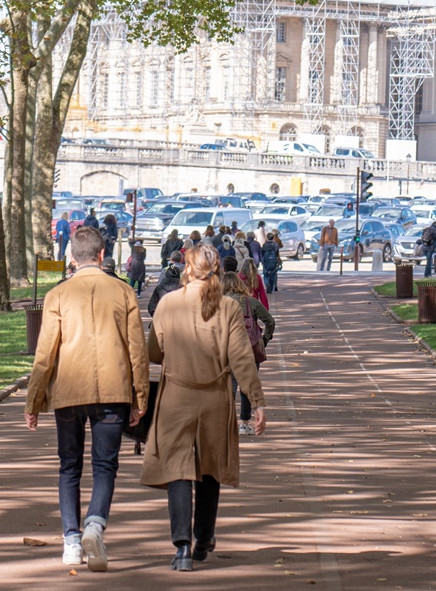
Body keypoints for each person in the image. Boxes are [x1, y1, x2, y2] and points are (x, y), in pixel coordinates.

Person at [25, 224, 149, 571]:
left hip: (68, 392)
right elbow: (137, 350)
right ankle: (95, 523)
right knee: (105, 465)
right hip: (113, 390)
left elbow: (45, 352)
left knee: (69, 466)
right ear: (101, 256)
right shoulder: (124, 292)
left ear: (72, 258)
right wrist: (141, 396)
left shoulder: (57, 296)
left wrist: (33, 401)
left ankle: (70, 540)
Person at [142, 243, 266, 570]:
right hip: (215, 398)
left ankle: (181, 547)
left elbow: (153, 353)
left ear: (188, 267)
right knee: (209, 470)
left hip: (176, 398)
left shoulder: (168, 303)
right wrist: (257, 401)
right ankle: (204, 538)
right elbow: (241, 358)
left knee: (178, 471)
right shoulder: (227, 307)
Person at [221, 271, 275, 435]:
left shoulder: (218, 303)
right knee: (247, 386)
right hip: (249, 349)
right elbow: (270, 321)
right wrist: (264, 339)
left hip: (226, 349)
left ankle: (226, 423)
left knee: (227, 388)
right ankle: (244, 423)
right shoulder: (251, 302)